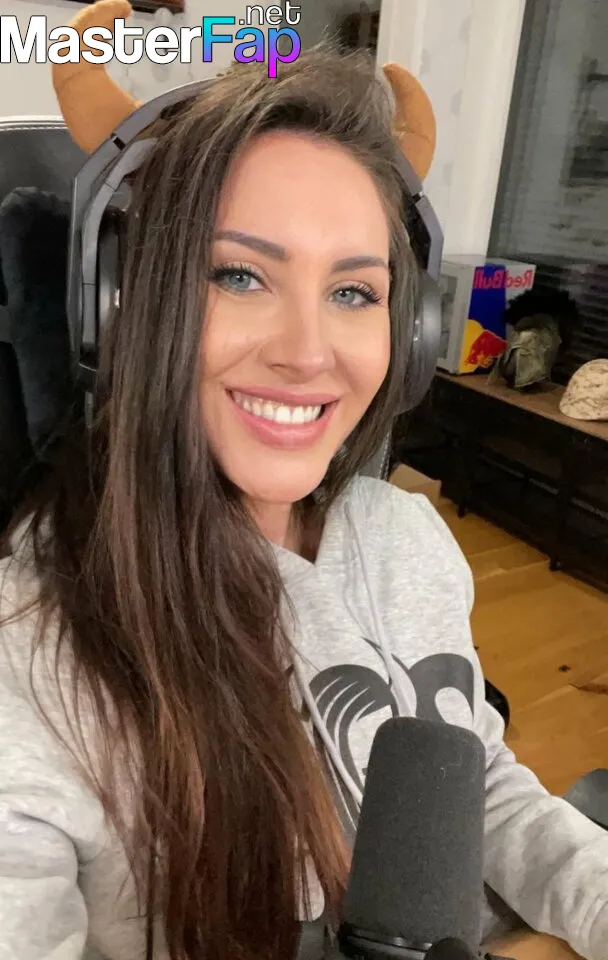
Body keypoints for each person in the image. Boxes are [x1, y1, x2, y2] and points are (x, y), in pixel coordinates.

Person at [1, 5, 607, 960]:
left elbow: (480, 784)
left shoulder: (406, 539)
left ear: (409, 334)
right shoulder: (31, 645)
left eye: (354, 291)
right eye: (239, 276)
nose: (308, 352)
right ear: (122, 309)